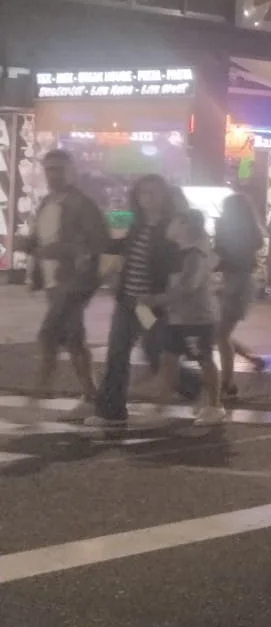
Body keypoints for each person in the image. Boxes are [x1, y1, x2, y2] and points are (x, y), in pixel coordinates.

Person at [87, 175, 177, 427]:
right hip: (129, 301)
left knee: (157, 353)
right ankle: (111, 410)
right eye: (144, 192)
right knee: (117, 354)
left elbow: (175, 264)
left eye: (154, 192)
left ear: (164, 196)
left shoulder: (170, 227)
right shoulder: (138, 225)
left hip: (151, 305)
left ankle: (191, 384)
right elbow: (121, 248)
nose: (148, 197)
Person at [24, 150, 108, 403]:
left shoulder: (81, 204)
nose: (53, 175)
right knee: (73, 336)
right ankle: (91, 391)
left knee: (49, 334)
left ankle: (41, 389)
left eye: (59, 169)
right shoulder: (47, 202)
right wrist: (29, 245)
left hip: (73, 282)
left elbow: (98, 241)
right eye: (49, 169)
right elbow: (41, 240)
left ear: (71, 171)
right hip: (55, 281)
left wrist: (65, 251)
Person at [153, 209, 226, 426]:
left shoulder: (195, 253)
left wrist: (158, 300)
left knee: (203, 359)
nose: (171, 226)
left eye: (176, 221)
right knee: (168, 358)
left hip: (197, 318)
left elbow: (188, 286)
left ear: (186, 225)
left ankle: (215, 405)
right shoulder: (181, 251)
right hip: (177, 317)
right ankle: (161, 404)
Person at [214, 191, 269, 401]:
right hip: (241, 282)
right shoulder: (251, 232)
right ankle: (250, 358)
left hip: (232, 283)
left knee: (219, 333)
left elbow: (221, 256)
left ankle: (227, 382)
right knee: (219, 332)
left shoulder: (228, 231)